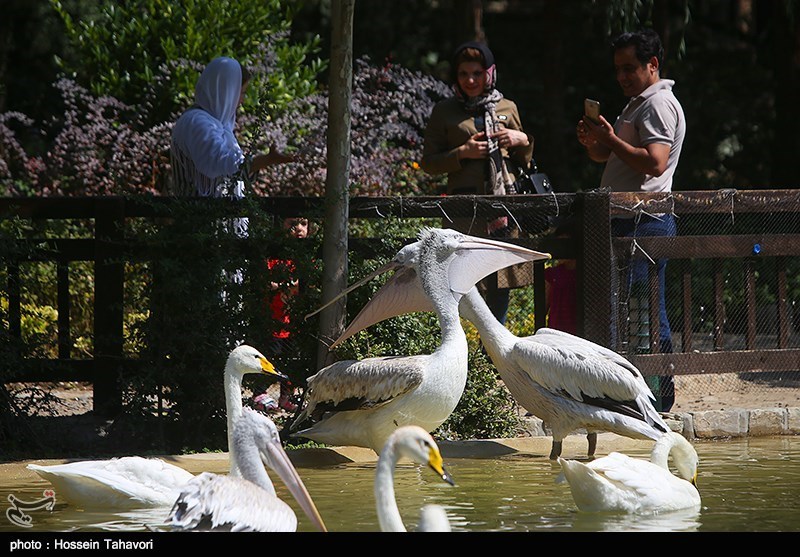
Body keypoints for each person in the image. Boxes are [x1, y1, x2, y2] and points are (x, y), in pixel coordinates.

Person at [576, 28, 685, 412]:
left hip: (646, 221)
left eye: (629, 68)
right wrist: (597, 144)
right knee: (632, 310)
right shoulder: (636, 102)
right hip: (629, 220)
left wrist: (610, 138)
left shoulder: (656, 104)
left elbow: (653, 161)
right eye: (618, 69)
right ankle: (638, 395)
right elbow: (616, 160)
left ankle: (659, 399)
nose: (621, 77)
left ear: (652, 65)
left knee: (645, 311)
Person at [421, 41, 534, 324]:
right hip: (464, 212)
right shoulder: (445, 111)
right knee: (463, 282)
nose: (470, 80)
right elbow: (429, 163)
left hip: (503, 209)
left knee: (499, 282)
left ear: (490, 74)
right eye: (463, 74)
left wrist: (523, 141)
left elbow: (525, 162)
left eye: (477, 73)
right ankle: (467, 353)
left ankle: (495, 353)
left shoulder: (507, 107)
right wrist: (462, 153)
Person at [266, 216, 310, 413]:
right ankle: (261, 392)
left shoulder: (307, 255)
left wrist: (285, 287)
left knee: (293, 357)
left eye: (303, 224)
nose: (299, 229)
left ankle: (286, 397)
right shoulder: (274, 254)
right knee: (271, 356)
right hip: (274, 316)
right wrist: (291, 286)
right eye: (292, 224)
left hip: (295, 318)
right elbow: (269, 284)